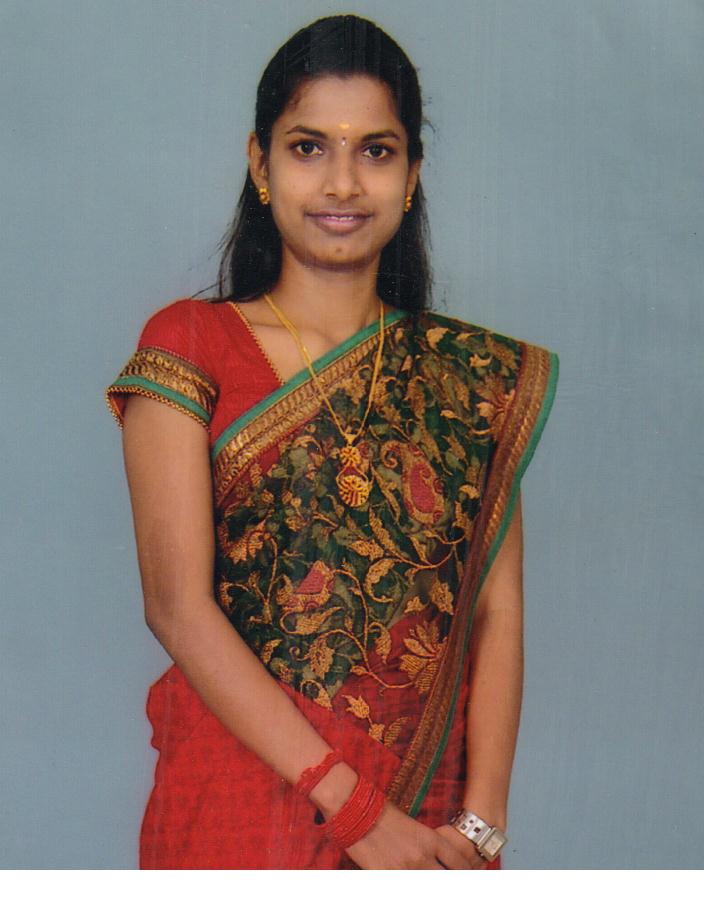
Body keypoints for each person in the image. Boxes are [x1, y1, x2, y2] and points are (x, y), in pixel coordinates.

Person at [105, 14, 558, 870]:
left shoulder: (466, 381)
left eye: (376, 151)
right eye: (309, 147)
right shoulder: (192, 343)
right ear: (260, 164)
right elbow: (176, 607)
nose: (342, 183)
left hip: (428, 814)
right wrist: (354, 809)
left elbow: (496, 611)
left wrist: (480, 826)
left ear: (412, 174)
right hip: (239, 804)